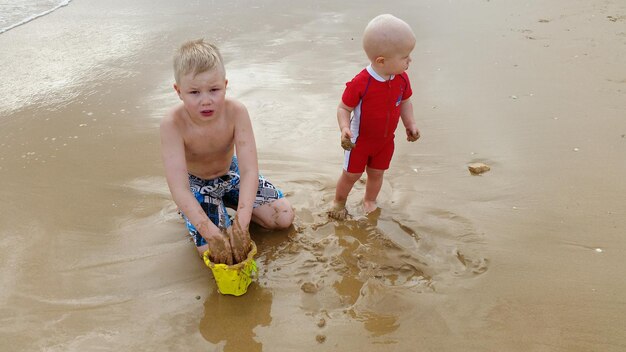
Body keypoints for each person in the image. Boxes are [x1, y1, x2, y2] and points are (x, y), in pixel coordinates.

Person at [160, 39, 294, 265]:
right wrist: (211, 234)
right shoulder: (172, 124)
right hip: (196, 183)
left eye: (214, 90)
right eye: (194, 92)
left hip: (231, 173)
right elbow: (179, 187)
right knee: (215, 253)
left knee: (283, 218)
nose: (206, 101)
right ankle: (194, 213)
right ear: (178, 91)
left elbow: (250, 170)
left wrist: (241, 224)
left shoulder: (236, 112)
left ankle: (231, 210)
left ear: (225, 84)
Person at [331, 14, 420, 218]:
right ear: (381, 61)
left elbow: (405, 101)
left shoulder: (402, 79)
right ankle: (338, 202)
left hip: (385, 141)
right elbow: (344, 108)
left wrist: (410, 123)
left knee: (377, 173)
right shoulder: (361, 83)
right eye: (405, 56)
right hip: (359, 142)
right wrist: (344, 128)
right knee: (351, 174)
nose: (410, 60)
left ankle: (369, 200)